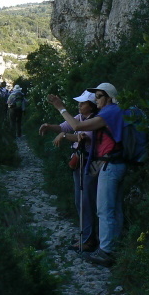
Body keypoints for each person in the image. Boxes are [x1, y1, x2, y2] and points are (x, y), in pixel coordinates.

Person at [47, 82, 126, 268]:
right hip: (116, 162)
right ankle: (117, 247)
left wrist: (60, 107)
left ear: (108, 97)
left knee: (104, 209)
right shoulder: (114, 112)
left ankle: (106, 251)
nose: (96, 100)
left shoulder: (109, 112)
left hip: (110, 163)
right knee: (115, 208)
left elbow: (76, 125)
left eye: (98, 96)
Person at [39, 90, 99, 252]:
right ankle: (86, 236)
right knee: (80, 201)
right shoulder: (81, 118)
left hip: (87, 164)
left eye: (83, 103)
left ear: (91, 106)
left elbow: (83, 137)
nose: (79, 106)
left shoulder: (94, 122)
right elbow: (63, 126)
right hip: (80, 163)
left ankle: (88, 240)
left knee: (85, 201)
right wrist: (49, 127)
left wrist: (64, 136)